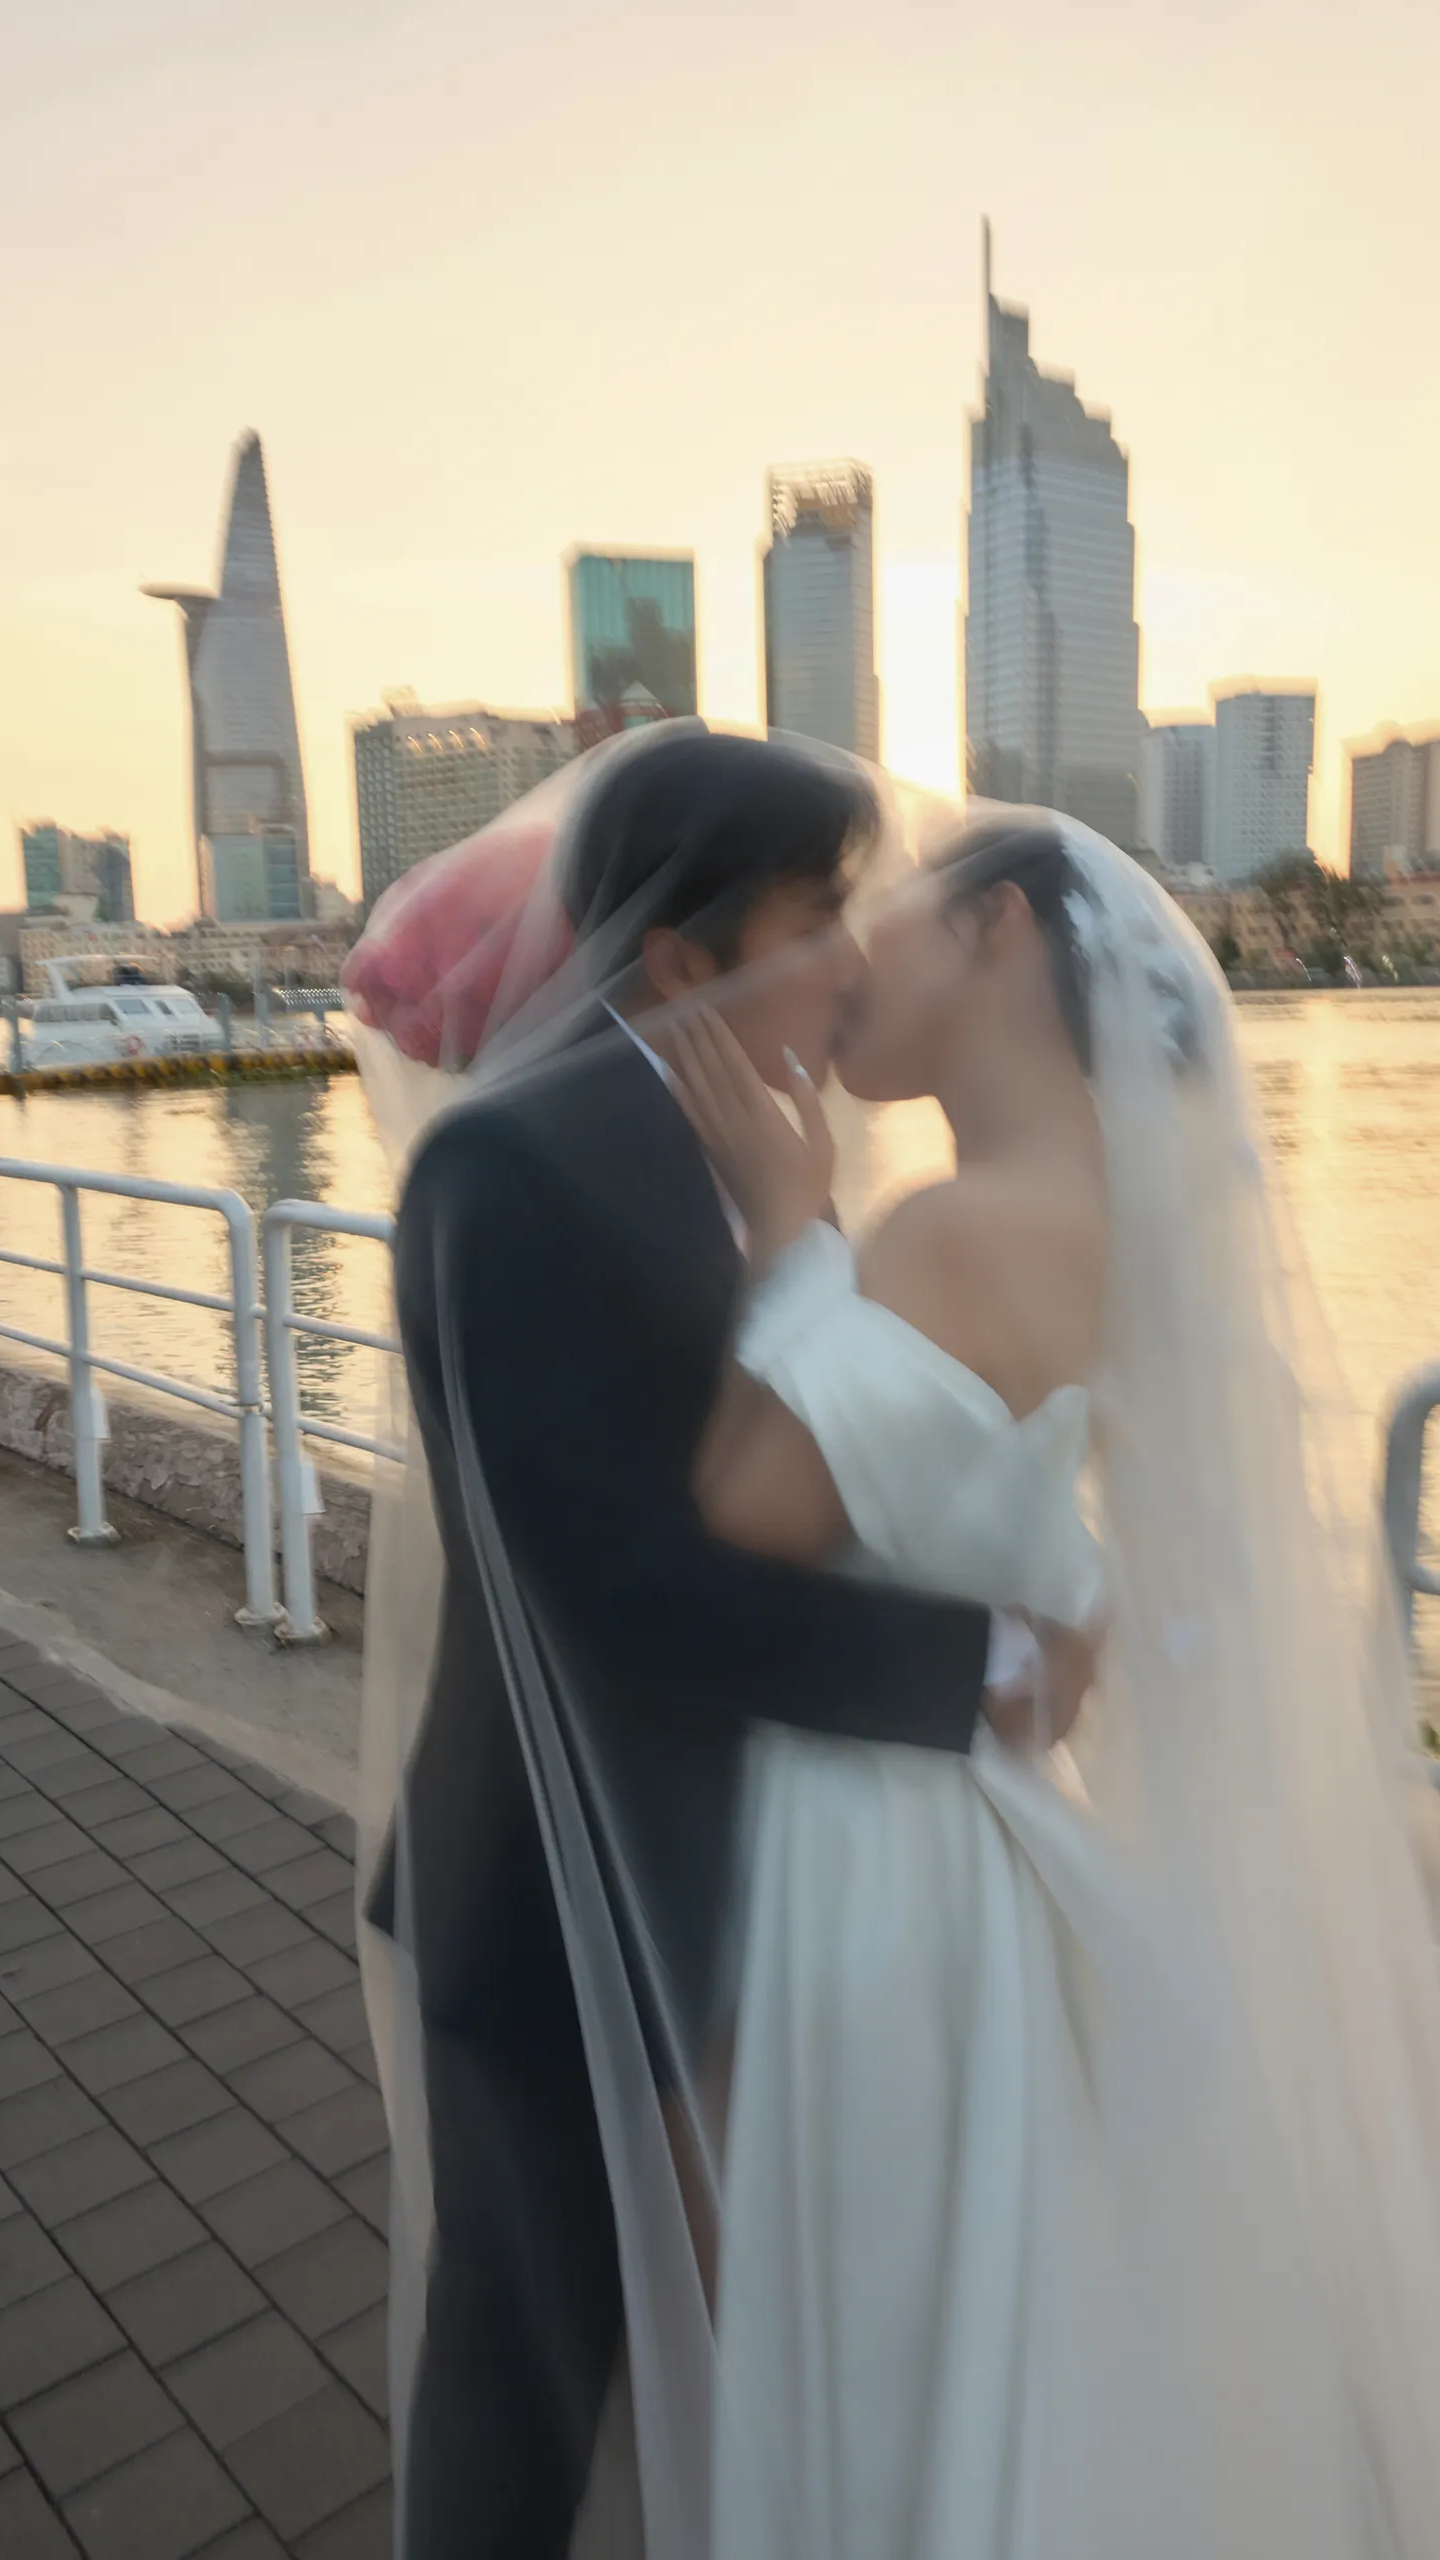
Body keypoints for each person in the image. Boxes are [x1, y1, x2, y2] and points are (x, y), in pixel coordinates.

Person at [665, 812, 1440, 2558]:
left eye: (892, 919)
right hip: (981, 1823)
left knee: (867, 2337)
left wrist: (789, 1234)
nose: (850, 963)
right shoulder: (1119, 1218)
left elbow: (746, 1507)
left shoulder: (951, 1230)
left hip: (875, 1858)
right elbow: (1069, 1547)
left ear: (997, 931)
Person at [362, 731, 1090, 2560]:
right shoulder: (514, 1168)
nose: (850, 952)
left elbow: (831, 1440)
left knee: (727, 2357)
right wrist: (968, 1663)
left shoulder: (742, 1138)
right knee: (527, 2360)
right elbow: (607, 1581)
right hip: (559, 1880)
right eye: (814, 909)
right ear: (681, 960)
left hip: (733, 1869)